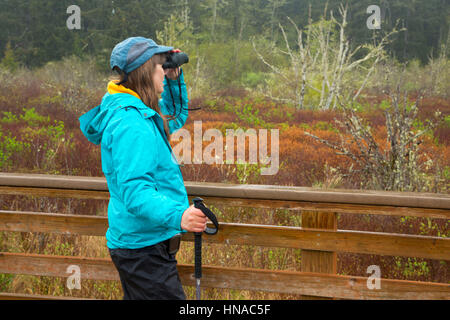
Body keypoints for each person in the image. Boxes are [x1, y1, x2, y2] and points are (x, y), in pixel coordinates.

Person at [78, 36, 207, 300]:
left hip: (142, 245)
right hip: (143, 250)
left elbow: (174, 117)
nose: (164, 71)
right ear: (146, 71)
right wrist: (179, 215)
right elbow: (135, 190)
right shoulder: (131, 123)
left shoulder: (138, 112)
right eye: (160, 66)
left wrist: (174, 81)